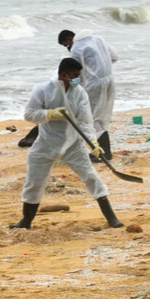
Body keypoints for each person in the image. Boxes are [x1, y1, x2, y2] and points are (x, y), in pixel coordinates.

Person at [11, 58, 122, 230]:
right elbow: (29, 114)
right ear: (64, 75)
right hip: (45, 144)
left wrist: (93, 142)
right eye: (75, 76)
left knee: (92, 177)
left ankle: (112, 218)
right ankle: (26, 220)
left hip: (73, 145)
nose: (79, 79)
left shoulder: (80, 93)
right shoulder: (42, 90)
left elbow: (85, 121)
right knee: (34, 182)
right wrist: (50, 114)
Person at [59, 30, 119, 161]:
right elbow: (114, 57)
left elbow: (74, 72)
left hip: (95, 84)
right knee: (102, 116)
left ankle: (103, 153)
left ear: (69, 39)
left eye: (65, 45)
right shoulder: (98, 39)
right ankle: (102, 150)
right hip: (110, 81)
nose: (67, 48)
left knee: (91, 117)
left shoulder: (76, 48)